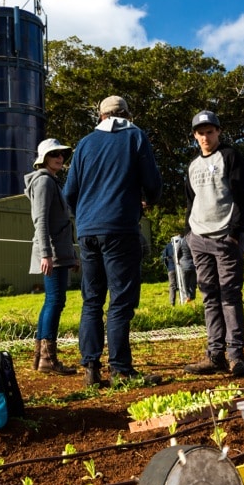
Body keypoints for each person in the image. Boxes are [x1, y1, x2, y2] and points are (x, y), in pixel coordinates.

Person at [63, 95, 163, 387]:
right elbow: (153, 182)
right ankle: (120, 368)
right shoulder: (135, 136)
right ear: (127, 114)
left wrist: (83, 217)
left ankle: (91, 368)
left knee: (92, 299)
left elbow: (70, 192)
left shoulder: (84, 144)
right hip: (119, 227)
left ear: (101, 116)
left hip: (88, 230)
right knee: (120, 300)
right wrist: (148, 199)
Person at [183, 110, 244, 378]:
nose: (205, 136)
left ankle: (236, 356)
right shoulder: (192, 166)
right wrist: (189, 231)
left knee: (230, 296)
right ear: (194, 136)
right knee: (209, 296)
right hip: (199, 238)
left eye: (210, 131)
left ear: (218, 132)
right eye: (200, 132)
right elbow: (191, 201)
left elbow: (242, 198)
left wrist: (234, 233)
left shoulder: (231, 156)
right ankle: (215, 355)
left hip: (225, 237)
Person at [25, 138, 77, 375]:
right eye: (54, 154)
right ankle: (48, 359)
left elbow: (63, 223)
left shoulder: (52, 182)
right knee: (55, 301)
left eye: (61, 154)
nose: (60, 158)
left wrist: (72, 254)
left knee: (52, 302)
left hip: (59, 252)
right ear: (44, 158)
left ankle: (40, 358)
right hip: (52, 253)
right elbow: (41, 220)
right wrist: (46, 254)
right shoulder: (44, 182)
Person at [161, 232, 196, 305]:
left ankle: (172, 303)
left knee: (173, 285)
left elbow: (164, 258)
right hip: (181, 266)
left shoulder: (169, 246)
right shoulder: (187, 243)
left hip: (173, 268)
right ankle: (184, 301)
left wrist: (168, 267)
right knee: (184, 284)